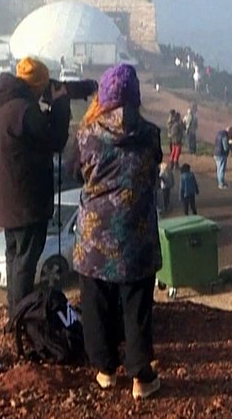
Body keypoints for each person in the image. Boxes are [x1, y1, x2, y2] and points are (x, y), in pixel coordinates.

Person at [72, 63, 163, 399]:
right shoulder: (151, 134)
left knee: (96, 304)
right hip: (137, 235)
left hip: (95, 237)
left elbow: (73, 172)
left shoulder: (86, 135)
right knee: (136, 305)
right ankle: (141, 377)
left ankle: (105, 370)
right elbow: (153, 165)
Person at [0, 57, 74, 316]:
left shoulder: (0, 106)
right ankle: (21, 317)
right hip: (27, 203)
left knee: (14, 258)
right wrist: (60, 105)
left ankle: (14, 312)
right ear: (37, 85)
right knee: (25, 262)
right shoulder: (25, 109)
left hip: (6, 202)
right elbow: (55, 141)